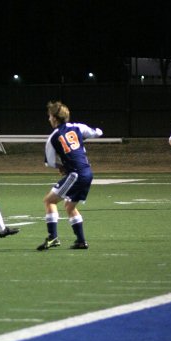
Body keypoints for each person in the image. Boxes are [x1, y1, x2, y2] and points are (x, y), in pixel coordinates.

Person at [37, 101, 103, 251]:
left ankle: (52, 237)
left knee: (49, 201)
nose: (49, 119)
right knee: (69, 206)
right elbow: (97, 133)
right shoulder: (78, 127)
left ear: (54, 118)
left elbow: (50, 163)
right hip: (87, 172)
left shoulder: (53, 137)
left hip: (75, 174)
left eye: (49, 116)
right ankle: (81, 241)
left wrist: (61, 167)